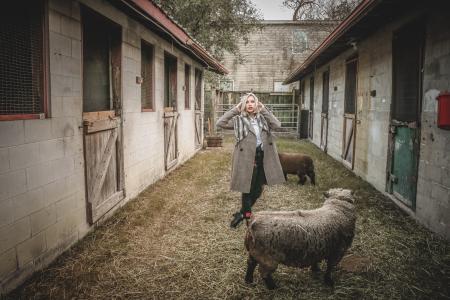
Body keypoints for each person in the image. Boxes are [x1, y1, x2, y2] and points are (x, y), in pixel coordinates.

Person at [216, 93, 285, 228]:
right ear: (243, 105)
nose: (250, 104)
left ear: (257, 104)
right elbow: (220, 123)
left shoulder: (263, 119)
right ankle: (247, 217)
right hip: (247, 158)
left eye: (252, 101)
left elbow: (277, 124)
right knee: (247, 188)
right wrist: (235, 109)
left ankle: (241, 214)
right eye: (247, 102)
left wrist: (264, 109)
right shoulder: (238, 120)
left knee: (258, 189)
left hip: (263, 157)